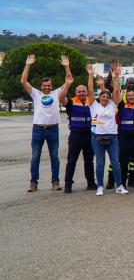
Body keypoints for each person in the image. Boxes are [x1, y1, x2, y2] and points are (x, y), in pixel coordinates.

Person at [21, 54, 74, 192]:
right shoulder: (35, 94)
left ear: (52, 86)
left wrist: (67, 67)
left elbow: (69, 80)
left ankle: (55, 182)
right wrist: (28, 65)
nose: (46, 88)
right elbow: (23, 81)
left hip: (53, 130)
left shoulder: (57, 93)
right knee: (35, 158)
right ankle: (33, 183)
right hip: (38, 129)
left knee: (54, 158)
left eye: (49, 85)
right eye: (44, 85)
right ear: (40, 86)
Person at [90, 64, 128, 196]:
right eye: (103, 96)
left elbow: (116, 91)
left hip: (112, 138)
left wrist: (116, 76)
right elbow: (90, 90)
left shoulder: (113, 105)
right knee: (100, 163)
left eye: (107, 97)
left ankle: (120, 186)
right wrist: (90, 75)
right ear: (99, 97)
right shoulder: (93, 105)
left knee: (116, 163)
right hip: (97, 138)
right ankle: (100, 186)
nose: (105, 98)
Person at [63, 63, 97, 193]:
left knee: (89, 161)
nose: (82, 93)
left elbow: (91, 89)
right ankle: (68, 185)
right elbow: (61, 98)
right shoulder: (71, 102)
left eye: (83, 91)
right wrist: (67, 84)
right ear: (76, 93)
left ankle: (91, 183)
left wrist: (90, 75)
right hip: (76, 135)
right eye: (79, 91)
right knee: (71, 160)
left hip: (89, 135)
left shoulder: (91, 101)